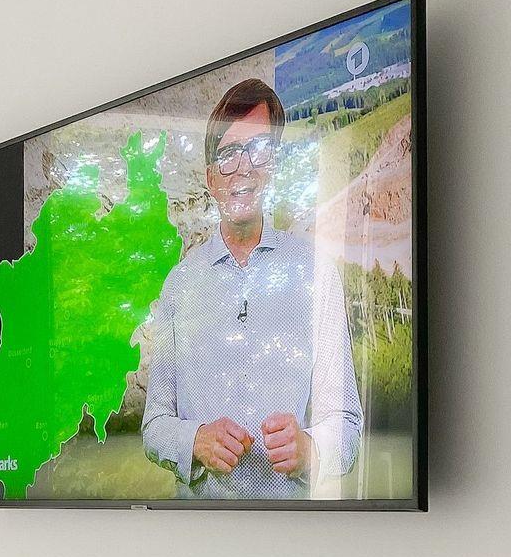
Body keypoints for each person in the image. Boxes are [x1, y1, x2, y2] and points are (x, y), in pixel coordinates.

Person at [140, 79, 361, 498]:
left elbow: (347, 423)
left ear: (273, 166)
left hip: (290, 530)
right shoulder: (180, 286)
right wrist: (194, 441)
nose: (243, 168)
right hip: (194, 530)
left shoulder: (316, 273)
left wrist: (312, 450)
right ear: (211, 178)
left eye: (259, 149)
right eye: (228, 154)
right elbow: (154, 427)